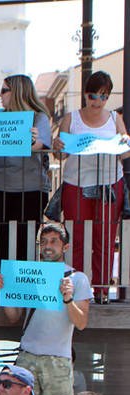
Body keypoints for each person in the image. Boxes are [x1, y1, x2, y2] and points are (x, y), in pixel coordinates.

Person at [0, 222, 90, 395]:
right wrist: (4, 293)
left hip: (58, 359)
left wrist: (68, 299)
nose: (47, 246)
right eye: (43, 242)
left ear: (65, 247)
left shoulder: (78, 278)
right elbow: (13, 317)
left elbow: (81, 323)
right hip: (27, 356)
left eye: (54, 241)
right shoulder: (29, 276)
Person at [54, 71, 128, 298]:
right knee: (76, 238)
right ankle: (75, 289)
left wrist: (125, 142)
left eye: (103, 96)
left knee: (104, 239)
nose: (97, 101)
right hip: (76, 183)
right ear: (85, 94)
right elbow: (60, 155)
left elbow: (124, 155)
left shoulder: (115, 119)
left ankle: (102, 290)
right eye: (93, 95)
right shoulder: (71, 118)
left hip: (109, 184)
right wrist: (58, 144)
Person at [0, 75, 53, 282]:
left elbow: (41, 145)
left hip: (30, 189)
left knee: (24, 241)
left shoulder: (39, 118)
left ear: (17, 91)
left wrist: (31, 139)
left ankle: (20, 289)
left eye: (4, 90)